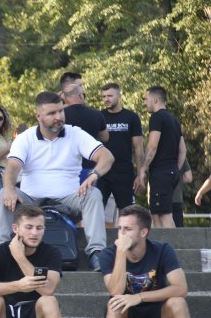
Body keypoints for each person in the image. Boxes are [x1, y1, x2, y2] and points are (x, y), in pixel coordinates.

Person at [0, 92, 114, 272]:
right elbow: (11, 167)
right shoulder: (25, 137)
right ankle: (0, 252)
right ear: (38, 116)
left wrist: (94, 174)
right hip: (30, 201)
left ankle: (96, 252)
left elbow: (107, 157)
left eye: (60, 111)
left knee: (94, 193)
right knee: (4, 193)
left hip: (70, 200)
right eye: (51, 114)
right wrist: (9, 187)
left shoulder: (75, 133)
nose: (58, 117)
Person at [136, 86, 185, 228]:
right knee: (157, 214)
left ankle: (172, 249)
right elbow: (182, 150)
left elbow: (152, 146)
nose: (144, 103)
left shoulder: (157, 117)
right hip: (171, 172)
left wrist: (143, 168)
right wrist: (176, 168)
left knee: (164, 215)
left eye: (146, 99)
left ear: (155, 99)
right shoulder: (174, 119)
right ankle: (163, 248)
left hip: (162, 173)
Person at [98, 83, 144, 211]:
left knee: (126, 212)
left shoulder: (131, 117)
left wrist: (140, 174)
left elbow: (138, 148)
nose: (106, 99)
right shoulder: (98, 116)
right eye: (104, 96)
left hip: (124, 172)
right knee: (96, 210)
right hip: (102, 171)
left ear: (119, 96)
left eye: (110, 96)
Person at [63, 83, 109, 180]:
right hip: (90, 165)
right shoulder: (97, 114)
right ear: (80, 95)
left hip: (66, 166)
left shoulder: (61, 116)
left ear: (65, 98)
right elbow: (105, 137)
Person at [172, 159, 192, 227]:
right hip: (176, 198)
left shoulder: (155, 153)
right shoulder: (180, 156)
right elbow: (188, 177)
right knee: (178, 229)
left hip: (158, 198)